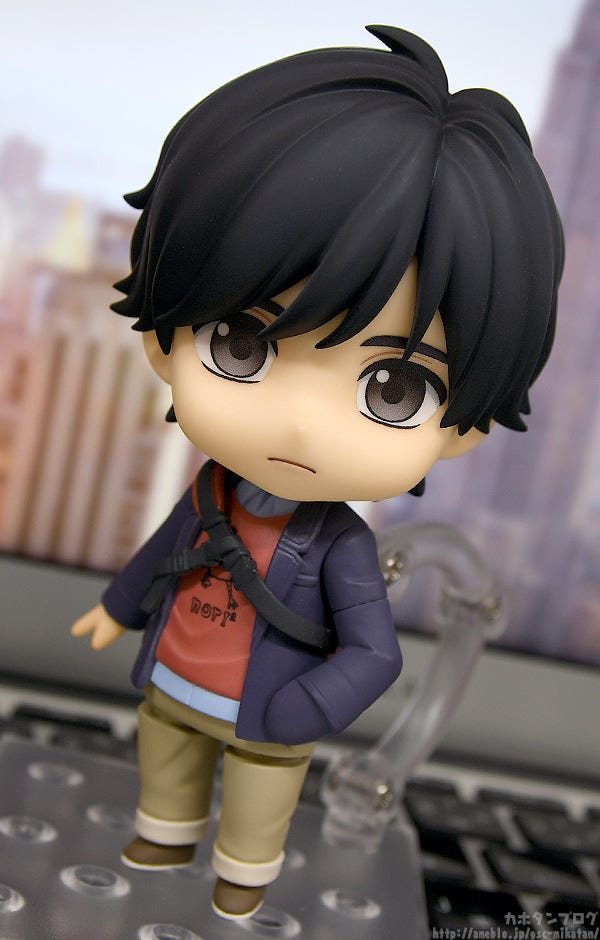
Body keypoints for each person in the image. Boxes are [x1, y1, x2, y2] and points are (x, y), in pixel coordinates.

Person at [71, 25, 563, 920]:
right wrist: (117, 607)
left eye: (393, 388)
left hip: (269, 713)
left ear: (463, 430)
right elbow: (162, 554)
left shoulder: (337, 546)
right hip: (174, 679)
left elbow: (375, 651)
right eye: (242, 342)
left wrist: (311, 706)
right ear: (162, 340)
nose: (300, 421)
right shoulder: (210, 495)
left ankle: (242, 874)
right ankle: (166, 833)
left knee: (259, 799)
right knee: (165, 752)